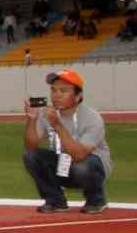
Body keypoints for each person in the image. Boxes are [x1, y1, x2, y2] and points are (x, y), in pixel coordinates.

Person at [22, 67, 111, 215]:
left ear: (78, 96)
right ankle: (55, 201)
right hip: (65, 165)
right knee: (30, 155)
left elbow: (80, 155)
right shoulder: (47, 114)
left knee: (83, 165)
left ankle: (96, 199)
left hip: (90, 167)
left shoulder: (92, 117)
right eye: (53, 90)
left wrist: (57, 125)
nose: (56, 95)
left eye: (63, 91)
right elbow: (31, 145)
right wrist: (32, 119)